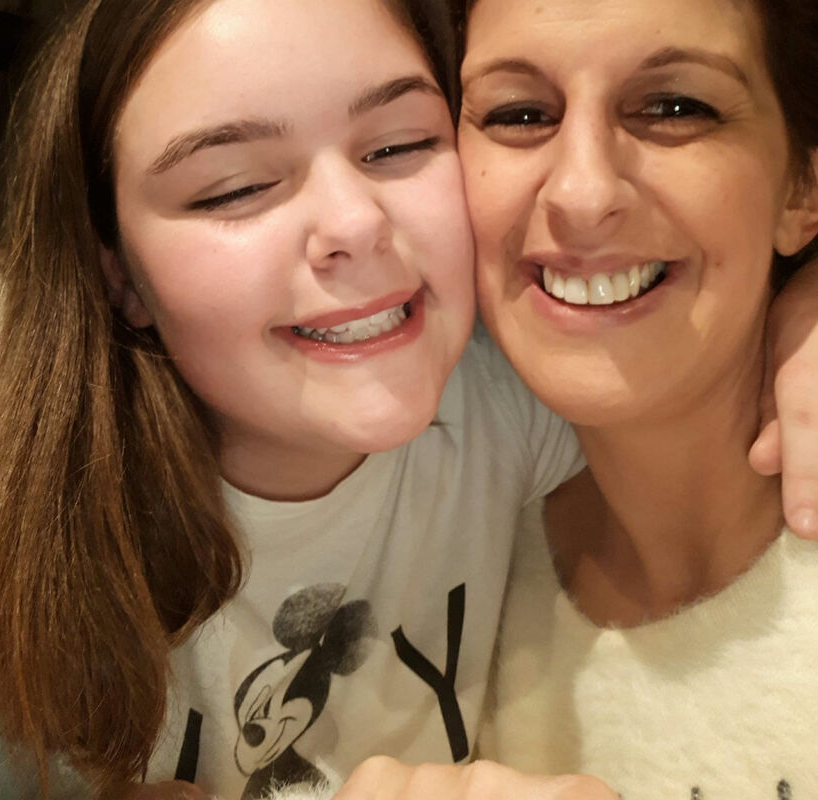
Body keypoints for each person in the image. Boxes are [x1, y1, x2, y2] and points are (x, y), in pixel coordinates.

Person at [0, 1, 817, 800]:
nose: (355, 223)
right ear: (116, 271)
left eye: (398, 146)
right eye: (234, 188)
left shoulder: (502, 398)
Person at [324, 0, 818, 797]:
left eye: (674, 107)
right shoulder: (447, 542)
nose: (583, 194)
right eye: (519, 115)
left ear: (802, 186)